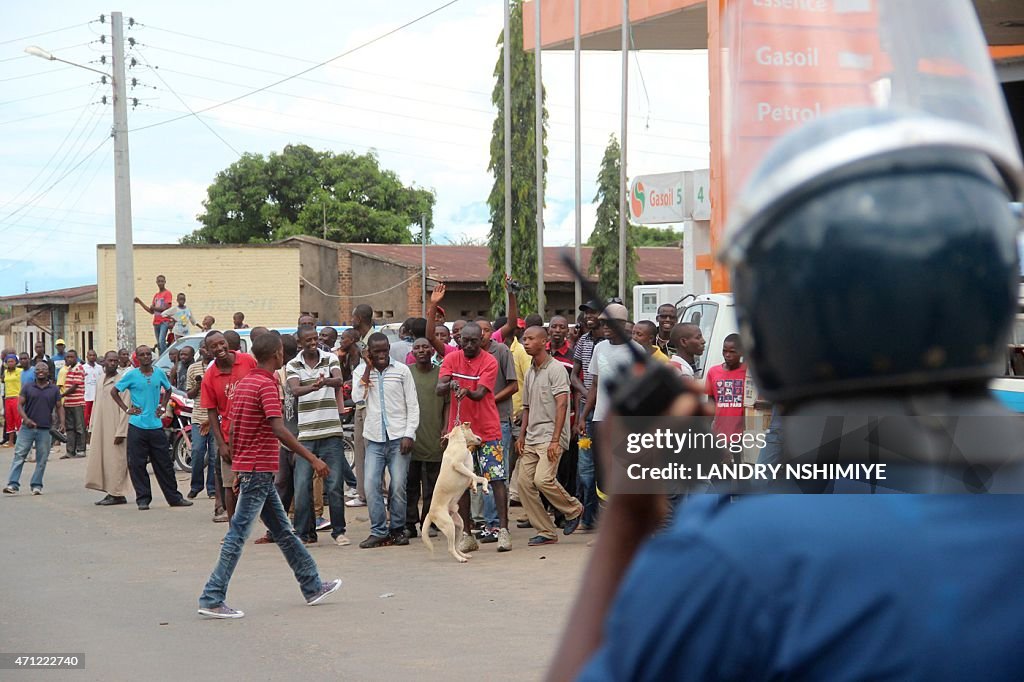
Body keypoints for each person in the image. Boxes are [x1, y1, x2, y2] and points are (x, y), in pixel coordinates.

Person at [198, 332, 341, 620]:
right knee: (238, 534)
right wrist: (312, 458)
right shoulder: (265, 384)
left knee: (284, 532)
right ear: (278, 354)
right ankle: (212, 596)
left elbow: (234, 428)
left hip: (252, 469)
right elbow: (279, 428)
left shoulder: (245, 383)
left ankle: (312, 585)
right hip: (258, 470)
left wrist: (238, 466)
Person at [436, 322, 511, 553]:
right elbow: (439, 388)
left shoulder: (490, 361)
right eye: (464, 340)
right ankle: (467, 534)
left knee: (496, 479)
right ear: (458, 339)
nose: (468, 345)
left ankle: (503, 531)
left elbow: (480, 394)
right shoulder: (451, 359)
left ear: (482, 341)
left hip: (487, 430)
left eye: (473, 341)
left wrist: (466, 390)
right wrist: (451, 383)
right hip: (459, 435)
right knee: (463, 484)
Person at [352, 332, 419, 548]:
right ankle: (379, 531)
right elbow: (356, 398)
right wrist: (369, 369)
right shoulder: (361, 372)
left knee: (398, 485)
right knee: (371, 485)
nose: (382, 355)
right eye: (377, 351)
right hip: (374, 438)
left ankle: (397, 529)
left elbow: (413, 404)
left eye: (385, 350)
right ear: (369, 353)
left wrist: (409, 433)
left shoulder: (402, 371)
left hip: (399, 437)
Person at [285, 325, 351, 546]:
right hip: (306, 434)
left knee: (333, 484)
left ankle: (339, 531)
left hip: (331, 430)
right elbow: (294, 390)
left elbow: (339, 380)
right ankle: (305, 533)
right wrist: (314, 387)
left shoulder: (329, 357)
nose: (313, 343)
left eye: (315, 339)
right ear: (300, 343)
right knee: (302, 484)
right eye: (308, 340)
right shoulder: (293, 364)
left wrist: (324, 382)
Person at [517, 326, 582, 546]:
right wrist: (522, 435)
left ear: (544, 342)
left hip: (550, 436)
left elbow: (562, 403)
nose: (525, 342)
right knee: (524, 483)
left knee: (542, 479)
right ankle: (546, 530)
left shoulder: (556, 369)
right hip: (532, 436)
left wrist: (556, 439)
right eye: (524, 339)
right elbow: (526, 407)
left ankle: (574, 508)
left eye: (530, 338)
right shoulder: (530, 371)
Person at [112, 346, 191, 511]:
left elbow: (169, 389)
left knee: (164, 464)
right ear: (137, 358)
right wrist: (127, 409)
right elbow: (114, 392)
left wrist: (163, 406)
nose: (146, 357)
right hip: (137, 425)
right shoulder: (131, 375)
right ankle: (143, 499)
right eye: (142, 355)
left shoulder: (158, 373)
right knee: (137, 464)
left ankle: (174, 498)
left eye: (148, 354)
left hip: (155, 426)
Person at [579, 304, 640, 500]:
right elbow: (595, 385)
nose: (604, 327)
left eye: (609, 324)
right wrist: (583, 416)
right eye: (602, 323)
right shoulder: (599, 348)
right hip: (600, 421)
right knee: (603, 473)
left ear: (622, 325)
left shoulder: (636, 352)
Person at [202, 330, 257, 521]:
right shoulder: (210, 376)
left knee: (264, 483)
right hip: (229, 438)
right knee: (229, 485)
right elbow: (212, 412)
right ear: (208, 351)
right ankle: (233, 529)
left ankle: (271, 528)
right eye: (214, 346)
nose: (219, 348)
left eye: (221, 343)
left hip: (256, 434)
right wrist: (221, 444)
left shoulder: (248, 361)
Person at [474, 318, 517, 545]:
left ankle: (498, 525)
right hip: (475, 424)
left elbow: (513, 385)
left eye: (486, 330)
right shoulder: (467, 355)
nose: (482, 334)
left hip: (499, 420)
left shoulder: (500, 351)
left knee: (498, 476)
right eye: (478, 330)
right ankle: (487, 522)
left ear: (492, 333)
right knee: (481, 476)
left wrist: (488, 399)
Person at [406, 337, 447, 539]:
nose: (421, 350)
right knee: (410, 484)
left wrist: (446, 427)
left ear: (432, 350)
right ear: (412, 351)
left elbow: (447, 403)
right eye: (417, 347)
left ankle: (429, 521)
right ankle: (409, 522)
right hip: (411, 436)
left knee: (433, 484)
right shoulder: (407, 373)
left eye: (425, 347)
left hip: (434, 434)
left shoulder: (441, 374)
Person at [3, 362, 63, 495]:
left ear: (48, 372)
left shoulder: (54, 389)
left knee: (42, 459)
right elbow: (19, 405)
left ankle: (36, 485)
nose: (40, 371)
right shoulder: (27, 387)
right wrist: (26, 419)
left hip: (45, 429)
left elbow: (59, 406)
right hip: (27, 428)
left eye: (44, 369)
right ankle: (13, 484)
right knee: (19, 455)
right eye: (38, 369)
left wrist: (62, 423)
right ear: (34, 372)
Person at [572, 300, 603, 530]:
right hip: (587, 412)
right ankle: (587, 517)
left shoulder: (612, 342)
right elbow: (575, 375)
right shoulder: (583, 341)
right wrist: (587, 396)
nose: (589, 316)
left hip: (608, 413)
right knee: (585, 468)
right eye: (587, 313)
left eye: (593, 312)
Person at [85, 351, 132, 506]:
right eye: (110, 360)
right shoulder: (100, 380)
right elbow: (96, 405)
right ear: (103, 362)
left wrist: (121, 431)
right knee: (103, 460)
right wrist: (91, 426)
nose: (112, 363)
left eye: (115, 361)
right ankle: (109, 491)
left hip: (115, 426)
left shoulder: (122, 382)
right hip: (100, 426)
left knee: (116, 460)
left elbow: (126, 408)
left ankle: (117, 493)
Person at [346, 304, 375, 508]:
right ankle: (364, 492)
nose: (351, 320)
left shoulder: (371, 341)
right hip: (361, 399)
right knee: (361, 450)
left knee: (369, 449)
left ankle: (372, 493)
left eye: (353, 317)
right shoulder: (362, 340)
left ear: (359, 318)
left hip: (370, 402)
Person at [187, 341, 217, 501]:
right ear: (201, 350)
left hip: (215, 419)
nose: (209, 351)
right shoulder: (193, 368)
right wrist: (198, 385)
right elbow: (189, 394)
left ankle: (212, 489)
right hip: (198, 417)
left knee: (214, 455)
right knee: (197, 452)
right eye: (206, 348)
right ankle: (195, 486)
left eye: (210, 347)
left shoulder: (218, 367)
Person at [705, 333, 747, 443]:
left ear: (742, 352)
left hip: (742, 432)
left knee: (740, 459)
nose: (727, 355)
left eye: (732, 352)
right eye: (725, 351)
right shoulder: (713, 372)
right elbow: (711, 401)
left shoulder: (748, 373)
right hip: (720, 431)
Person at [134, 275, 173, 354]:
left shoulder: (167, 293)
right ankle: (160, 358)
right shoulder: (156, 295)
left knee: (161, 341)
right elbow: (151, 311)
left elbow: (167, 308)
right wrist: (140, 302)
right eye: (159, 281)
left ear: (165, 282)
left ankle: (165, 359)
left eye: (162, 281)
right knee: (159, 343)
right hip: (156, 322)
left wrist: (154, 308)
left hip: (164, 321)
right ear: (156, 282)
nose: (160, 283)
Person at [59, 349, 87, 459]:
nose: (69, 359)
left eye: (72, 357)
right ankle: (70, 451)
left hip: (77, 402)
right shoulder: (69, 369)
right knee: (70, 428)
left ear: (76, 358)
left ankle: (81, 449)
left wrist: (62, 395)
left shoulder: (79, 368)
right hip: (69, 402)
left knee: (79, 427)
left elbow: (74, 387)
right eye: (67, 357)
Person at [2, 354, 23, 448]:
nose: (10, 363)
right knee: (9, 419)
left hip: (17, 396)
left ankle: (20, 440)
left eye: (12, 361)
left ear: (16, 362)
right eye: (8, 362)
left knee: (18, 419)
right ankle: (10, 441)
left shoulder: (20, 371)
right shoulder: (5, 372)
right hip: (8, 398)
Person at [82, 349, 104, 428]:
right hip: (87, 396)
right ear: (87, 357)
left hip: (97, 396)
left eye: (94, 355)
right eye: (90, 355)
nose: (92, 357)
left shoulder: (100, 368)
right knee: (86, 417)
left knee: (95, 416)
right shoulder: (83, 368)